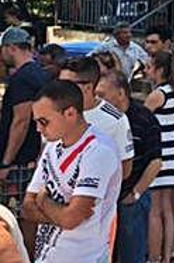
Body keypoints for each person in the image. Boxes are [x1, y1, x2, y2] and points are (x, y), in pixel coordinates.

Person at [22, 80, 121, 263]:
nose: (38, 129)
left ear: (70, 113)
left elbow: (72, 218)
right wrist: (60, 213)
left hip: (85, 257)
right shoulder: (52, 146)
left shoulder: (99, 151)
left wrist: (43, 201)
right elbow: (27, 207)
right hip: (47, 256)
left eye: (44, 122)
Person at [96, 70, 162, 263]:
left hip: (129, 198)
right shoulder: (100, 120)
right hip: (104, 198)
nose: (99, 100)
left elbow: (156, 161)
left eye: (102, 95)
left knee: (131, 253)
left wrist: (135, 193)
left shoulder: (145, 118)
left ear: (121, 93)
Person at [0, 27, 49, 253]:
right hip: (31, 157)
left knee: (21, 216)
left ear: (11, 48)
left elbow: (20, 121)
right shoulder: (39, 73)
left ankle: (24, 256)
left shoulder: (22, 79)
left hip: (20, 161)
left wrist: (6, 162)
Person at [58, 57, 134, 184]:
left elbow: (125, 168)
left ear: (88, 87)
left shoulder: (115, 120)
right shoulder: (55, 111)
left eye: (67, 85)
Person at [143, 51, 174, 263]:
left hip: (160, 157)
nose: (145, 70)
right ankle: (167, 255)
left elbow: (141, 121)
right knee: (168, 209)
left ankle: (154, 256)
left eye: (149, 67)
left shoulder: (157, 95)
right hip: (173, 155)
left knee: (155, 211)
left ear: (159, 70)